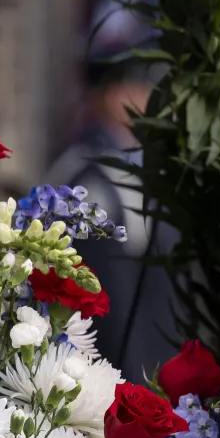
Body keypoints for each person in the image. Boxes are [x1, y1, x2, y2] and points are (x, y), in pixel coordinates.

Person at [48, 54, 177, 381]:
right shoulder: (84, 172)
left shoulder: (148, 162)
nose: (140, 101)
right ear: (104, 96)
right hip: (109, 353)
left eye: (146, 90)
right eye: (128, 90)